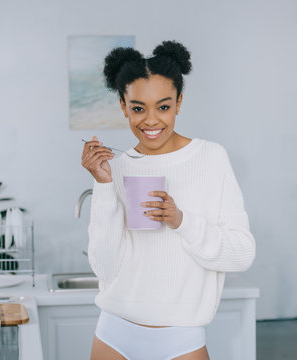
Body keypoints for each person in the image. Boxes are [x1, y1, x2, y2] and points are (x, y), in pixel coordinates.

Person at [81, 40, 256, 360]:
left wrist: (180, 220)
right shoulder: (115, 169)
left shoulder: (211, 158)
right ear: (123, 106)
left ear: (179, 103)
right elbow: (104, 267)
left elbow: (241, 255)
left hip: (181, 337)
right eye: (137, 108)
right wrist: (104, 185)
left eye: (163, 106)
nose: (150, 121)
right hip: (114, 333)